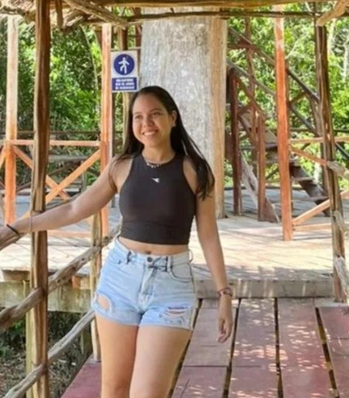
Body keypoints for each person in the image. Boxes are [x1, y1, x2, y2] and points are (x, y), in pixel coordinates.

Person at [0, 85, 233, 398]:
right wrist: (19, 227)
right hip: (121, 279)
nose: (146, 123)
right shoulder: (121, 166)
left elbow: (208, 235)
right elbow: (74, 208)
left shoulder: (195, 170)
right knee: (114, 389)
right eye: (138, 117)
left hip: (170, 287)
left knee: (147, 393)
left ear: (172, 118)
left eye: (155, 115)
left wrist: (224, 294)